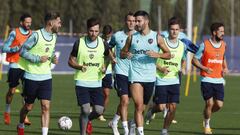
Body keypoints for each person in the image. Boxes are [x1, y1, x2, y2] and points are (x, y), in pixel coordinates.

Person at [121, 10, 171, 135]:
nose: (136, 23)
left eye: (139, 21)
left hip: (150, 78)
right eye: (135, 21)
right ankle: (140, 133)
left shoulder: (156, 37)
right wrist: (126, 54)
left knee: (142, 108)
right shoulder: (132, 37)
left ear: (146, 21)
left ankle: (133, 124)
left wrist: (157, 54)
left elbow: (168, 54)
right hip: (135, 76)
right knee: (138, 106)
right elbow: (121, 53)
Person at [17, 11, 61, 135]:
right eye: (59, 22)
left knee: (46, 107)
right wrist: (37, 59)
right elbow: (22, 52)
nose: (60, 25)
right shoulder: (36, 35)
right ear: (51, 23)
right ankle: (20, 125)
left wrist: (53, 58)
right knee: (28, 107)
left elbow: (50, 52)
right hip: (31, 76)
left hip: (46, 77)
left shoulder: (54, 37)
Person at [68, 17, 111, 135]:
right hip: (82, 82)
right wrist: (79, 67)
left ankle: (86, 120)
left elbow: (108, 57)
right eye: (91, 31)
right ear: (87, 30)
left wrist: (105, 67)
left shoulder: (103, 43)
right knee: (86, 109)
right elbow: (70, 61)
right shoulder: (79, 42)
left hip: (96, 83)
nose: (94, 34)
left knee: (99, 110)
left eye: (96, 31)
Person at [145, 17, 187, 135]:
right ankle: (152, 110)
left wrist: (183, 68)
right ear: (168, 30)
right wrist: (161, 68)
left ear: (180, 30)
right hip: (161, 79)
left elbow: (183, 59)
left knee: (172, 107)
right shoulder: (162, 43)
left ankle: (164, 130)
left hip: (174, 79)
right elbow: (153, 59)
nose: (174, 31)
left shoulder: (182, 46)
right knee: (161, 107)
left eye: (176, 29)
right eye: (172, 29)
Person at [192, 22, 228, 135]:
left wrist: (225, 67)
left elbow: (223, 57)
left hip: (219, 79)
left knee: (219, 105)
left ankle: (206, 115)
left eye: (223, 31)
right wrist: (204, 68)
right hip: (206, 79)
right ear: (214, 32)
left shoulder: (224, 44)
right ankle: (207, 125)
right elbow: (194, 60)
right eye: (221, 31)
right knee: (210, 103)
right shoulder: (204, 45)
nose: (223, 33)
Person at [108, 12, 136, 135]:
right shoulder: (117, 35)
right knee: (124, 100)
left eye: (133, 21)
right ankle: (125, 130)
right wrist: (112, 57)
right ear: (125, 21)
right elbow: (108, 47)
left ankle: (114, 121)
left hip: (134, 74)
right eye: (129, 20)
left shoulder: (139, 36)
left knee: (127, 102)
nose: (131, 23)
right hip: (120, 72)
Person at [2, 13, 32, 126]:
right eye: (27, 22)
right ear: (21, 22)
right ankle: (7, 111)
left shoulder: (32, 34)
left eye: (30, 22)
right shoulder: (14, 33)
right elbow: (4, 47)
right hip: (14, 65)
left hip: (26, 66)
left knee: (27, 92)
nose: (29, 24)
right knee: (12, 91)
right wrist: (16, 48)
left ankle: (25, 116)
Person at [98, 24, 114, 122]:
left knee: (106, 94)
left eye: (108, 35)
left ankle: (101, 113)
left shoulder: (113, 42)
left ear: (111, 34)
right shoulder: (99, 40)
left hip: (108, 72)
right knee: (96, 92)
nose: (106, 37)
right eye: (105, 35)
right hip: (97, 71)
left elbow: (115, 56)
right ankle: (93, 109)